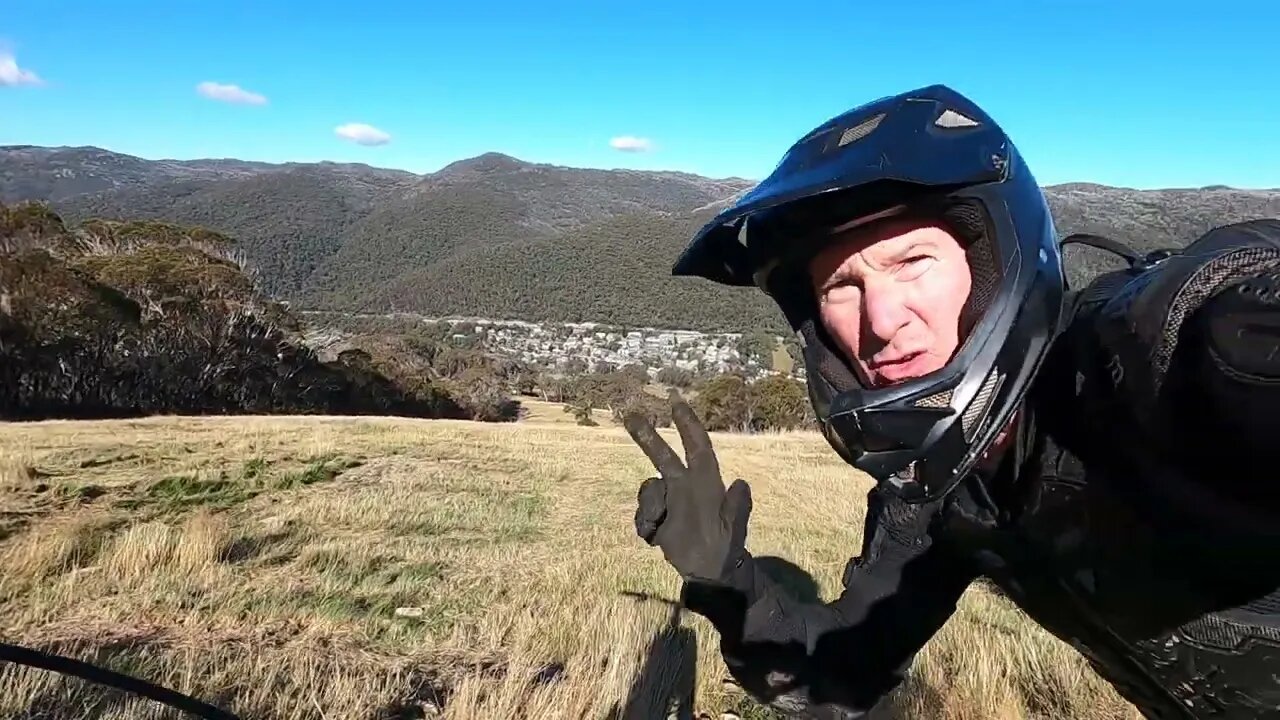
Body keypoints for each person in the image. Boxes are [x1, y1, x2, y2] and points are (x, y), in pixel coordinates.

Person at [622, 84, 1280, 719]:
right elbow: (840, 677)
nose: (881, 319)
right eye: (841, 288)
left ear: (993, 259)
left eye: (913, 261)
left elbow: (1226, 319)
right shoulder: (935, 495)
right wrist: (729, 584)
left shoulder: (1134, 357)